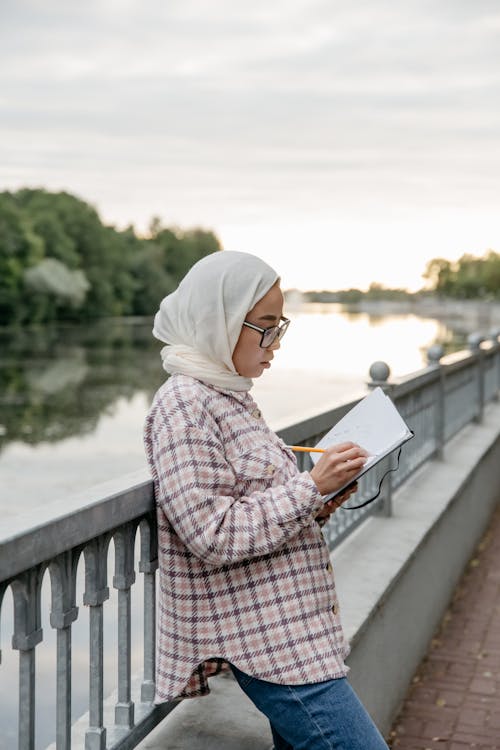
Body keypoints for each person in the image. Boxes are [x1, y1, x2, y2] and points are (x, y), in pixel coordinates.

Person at [144, 250, 389, 749]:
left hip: (290, 627)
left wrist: (318, 503)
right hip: (266, 640)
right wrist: (309, 487)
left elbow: (258, 502)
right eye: (266, 326)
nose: (276, 343)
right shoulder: (184, 404)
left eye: (282, 326)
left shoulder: (229, 393)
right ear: (222, 320)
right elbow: (211, 534)